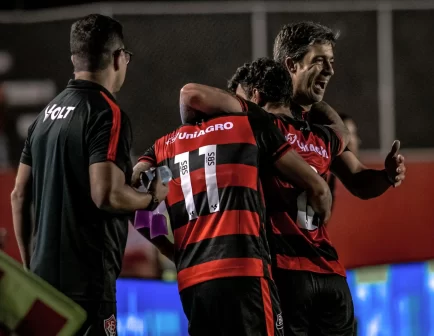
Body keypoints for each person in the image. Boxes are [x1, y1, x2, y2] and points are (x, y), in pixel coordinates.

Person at [132, 79, 333, 336]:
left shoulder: (164, 146)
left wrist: (166, 246)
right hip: (244, 272)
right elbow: (312, 183)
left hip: (193, 280)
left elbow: (135, 200)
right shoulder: (248, 125)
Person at [10, 14, 168, 336]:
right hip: (88, 287)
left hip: (44, 287)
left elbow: (19, 195)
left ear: (73, 59)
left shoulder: (45, 116)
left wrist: (31, 270)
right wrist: (151, 198)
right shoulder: (106, 112)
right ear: (117, 57)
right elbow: (106, 194)